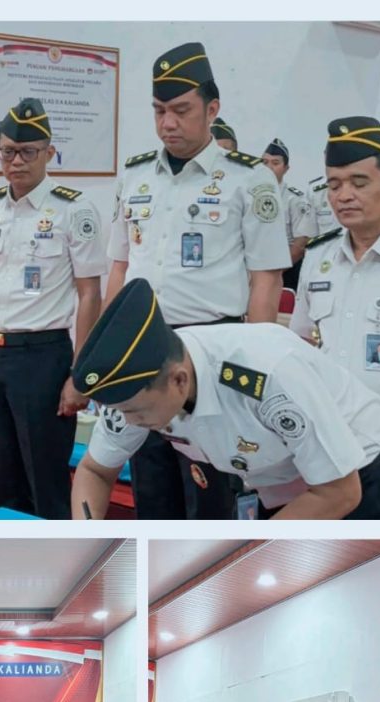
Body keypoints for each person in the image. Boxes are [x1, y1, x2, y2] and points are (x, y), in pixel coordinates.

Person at [105, 41, 290, 520]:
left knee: (211, 496)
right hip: (143, 352)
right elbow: (120, 268)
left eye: (181, 110)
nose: (168, 123)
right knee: (152, 489)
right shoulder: (136, 176)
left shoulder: (249, 180)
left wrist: (255, 374)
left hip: (212, 353)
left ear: (212, 109)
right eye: (159, 110)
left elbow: (266, 279)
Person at [70, 276, 380, 520]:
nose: (129, 422)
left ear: (179, 380)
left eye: (137, 412)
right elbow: (94, 471)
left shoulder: (265, 374)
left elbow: (339, 492)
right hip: (277, 483)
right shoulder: (135, 390)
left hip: (358, 475)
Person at [0, 97, 106, 519]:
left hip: (42, 359)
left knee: (46, 483)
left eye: (28, 152)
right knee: (3, 479)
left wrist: (81, 375)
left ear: (49, 152)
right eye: (7, 152)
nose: (16, 161)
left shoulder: (73, 209)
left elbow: (90, 294)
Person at [291, 117, 380, 420]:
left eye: (359, 183)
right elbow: (302, 341)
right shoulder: (318, 257)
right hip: (328, 424)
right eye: (333, 185)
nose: (343, 196)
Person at [261, 138, 317, 290]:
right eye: (264, 162)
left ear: (286, 168)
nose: (269, 167)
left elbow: (300, 245)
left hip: (284, 272)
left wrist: (273, 273)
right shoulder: (248, 196)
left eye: (275, 163)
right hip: (251, 270)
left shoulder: (295, 199)